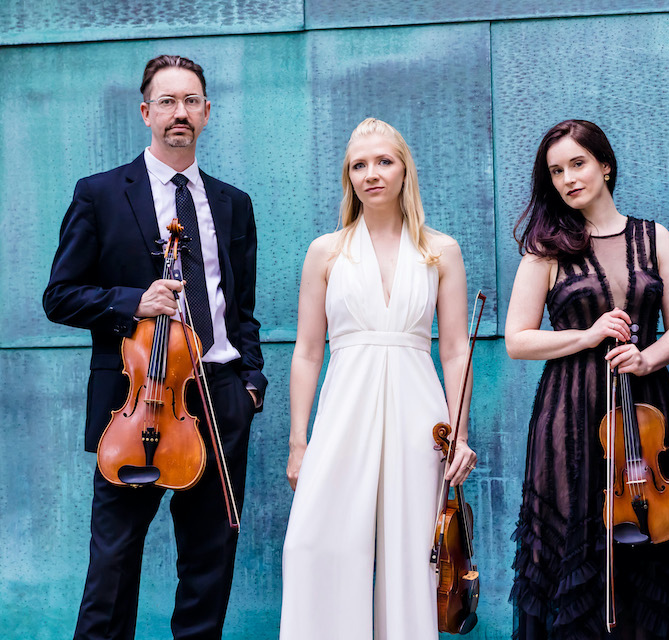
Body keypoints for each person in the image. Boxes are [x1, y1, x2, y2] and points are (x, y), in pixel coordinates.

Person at [42, 55, 267, 639]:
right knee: (113, 561)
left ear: (207, 113)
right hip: (136, 399)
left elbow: (239, 309)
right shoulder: (98, 195)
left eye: (191, 101)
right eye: (166, 101)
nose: (179, 113)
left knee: (209, 558)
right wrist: (131, 302)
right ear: (146, 113)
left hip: (219, 396)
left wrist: (250, 384)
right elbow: (60, 297)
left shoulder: (233, 203)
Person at [506, 119, 669, 639]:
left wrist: (649, 358)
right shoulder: (545, 250)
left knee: (655, 543)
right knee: (577, 544)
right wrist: (588, 336)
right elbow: (517, 340)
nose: (568, 178)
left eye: (577, 163)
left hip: (648, 409)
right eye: (556, 171)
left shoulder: (653, 235)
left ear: (605, 165)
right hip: (571, 414)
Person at [280, 118, 477, 639]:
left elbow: (456, 351)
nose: (372, 173)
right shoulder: (326, 251)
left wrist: (460, 431)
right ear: (349, 176)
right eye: (359, 164)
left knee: (414, 557)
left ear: (404, 170)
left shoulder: (442, 251)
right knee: (314, 543)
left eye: (384, 161)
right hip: (343, 408)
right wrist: (300, 441)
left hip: (419, 414)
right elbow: (306, 353)